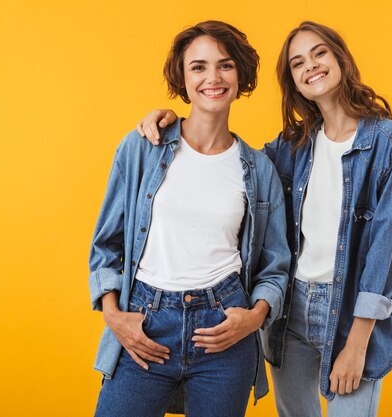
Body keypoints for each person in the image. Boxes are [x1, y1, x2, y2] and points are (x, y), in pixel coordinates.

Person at [136, 21, 392, 417]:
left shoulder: (390, 145)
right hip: (291, 312)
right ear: (294, 82)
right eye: (298, 63)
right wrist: (171, 119)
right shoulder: (292, 147)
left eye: (319, 53)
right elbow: (229, 160)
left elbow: (390, 254)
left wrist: (357, 345)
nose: (311, 67)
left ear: (340, 58)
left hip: (352, 316)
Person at [88, 20, 290, 417]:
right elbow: (107, 244)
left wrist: (254, 317)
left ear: (240, 75)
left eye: (225, 65)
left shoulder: (259, 169)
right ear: (182, 77)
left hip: (223, 331)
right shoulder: (143, 146)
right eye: (198, 67)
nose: (212, 77)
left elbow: (276, 265)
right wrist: (114, 316)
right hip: (145, 324)